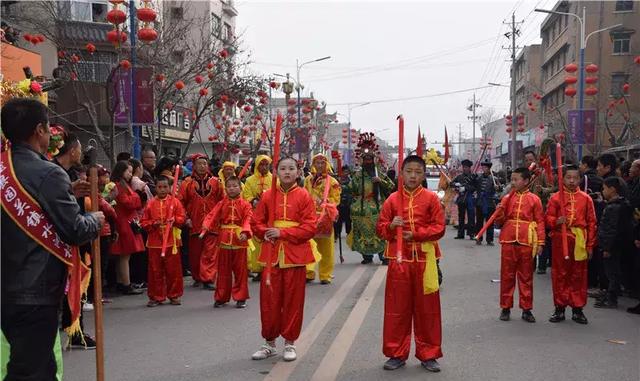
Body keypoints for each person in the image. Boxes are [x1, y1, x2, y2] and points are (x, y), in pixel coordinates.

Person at [1, 98, 103, 380]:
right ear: (39, 131)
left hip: (6, 291)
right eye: (47, 127)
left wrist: (66, 190)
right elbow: (75, 229)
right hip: (34, 292)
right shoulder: (47, 173)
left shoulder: (5, 170)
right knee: (30, 371)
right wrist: (95, 220)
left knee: (38, 365)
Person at [376, 155, 446, 373]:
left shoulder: (432, 199)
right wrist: (390, 226)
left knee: (428, 310)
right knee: (397, 309)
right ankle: (396, 353)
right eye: (409, 171)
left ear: (423, 174)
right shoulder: (392, 200)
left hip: (425, 260)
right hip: (399, 260)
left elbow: (439, 228)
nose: (413, 176)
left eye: (417, 172)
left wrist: (415, 234)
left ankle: (429, 354)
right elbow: (380, 228)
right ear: (402, 173)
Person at [250, 157, 317, 362]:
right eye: (283, 168)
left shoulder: (304, 196)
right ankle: (269, 343)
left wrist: (283, 233)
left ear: (298, 172)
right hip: (271, 254)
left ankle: (290, 342)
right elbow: (256, 222)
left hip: (295, 255)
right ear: (276, 171)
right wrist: (266, 232)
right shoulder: (268, 195)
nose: (287, 172)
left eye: (291, 168)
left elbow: (310, 227)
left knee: (293, 301)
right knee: (269, 301)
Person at [545, 165, 597, 324]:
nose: (572, 181)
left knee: (578, 275)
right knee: (560, 274)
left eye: (575, 177)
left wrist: (590, 245)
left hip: (579, 239)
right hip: (561, 240)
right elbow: (547, 218)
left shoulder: (586, 198)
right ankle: (559, 308)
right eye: (569, 177)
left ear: (580, 179)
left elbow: (592, 223)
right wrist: (556, 221)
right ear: (563, 178)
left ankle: (577, 309)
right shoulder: (555, 198)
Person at [494, 167, 545, 323]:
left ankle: (526, 309)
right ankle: (505, 307)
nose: (513, 182)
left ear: (526, 180)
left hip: (526, 240)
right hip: (509, 239)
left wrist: (541, 242)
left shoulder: (535, 199)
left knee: (526, 276)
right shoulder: (507, 198)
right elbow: (499, 221)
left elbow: (540, 221)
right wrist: (500, 213)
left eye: (516, 179)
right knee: (507, 275)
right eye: (512, 179)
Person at [201, 176, 252, 308]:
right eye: (229, 186)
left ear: (240, 188)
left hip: (239, 240)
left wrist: (245, 232)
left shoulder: (245, 205)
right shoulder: (221, 203)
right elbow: (212, 215)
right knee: (223, 272)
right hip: (224, 239)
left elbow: (248, 219)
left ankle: (241, 297)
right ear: (225, 189)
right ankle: (221, 297)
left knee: (241, 272)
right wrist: (206, 226)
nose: (232, 188)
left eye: (235, 186)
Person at [178, 154, 223, 290]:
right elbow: (180, 203)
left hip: (212, 224)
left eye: (205, 163)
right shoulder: (187, 183)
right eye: (199, 164)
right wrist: (186, 218)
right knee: (195, 253)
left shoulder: (216, 182)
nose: (202, 166)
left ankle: (208, 278)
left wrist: (220, 217)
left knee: (210, 252)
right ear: (194, 166)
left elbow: (222, 200)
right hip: (194, 223)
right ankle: (198, 276)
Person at [348, 132, 394, 264]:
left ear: (374, 159)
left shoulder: (380, 172)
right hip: (361, 208)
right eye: (365, 158)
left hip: (378, 207)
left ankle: (383, 255)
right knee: (362, 233)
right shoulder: (358, 174)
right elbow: (353, 189)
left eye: (370, 158)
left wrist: (380, 181)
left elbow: (391, 186)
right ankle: (366, 256)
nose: (368, 161)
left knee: (380, 231)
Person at [140, 176, 186, 307]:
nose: (162, 190)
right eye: (159, 187)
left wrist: (174, 220)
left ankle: (174, 295)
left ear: (169, 187)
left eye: (165, 187)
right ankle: (156, 296)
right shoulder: (150, 204)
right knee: (155, 270)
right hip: (154, 242)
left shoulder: (175, 202)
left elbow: (182, 218)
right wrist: (153, 223)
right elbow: (143, 222)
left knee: (174, 270)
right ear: (156, 188)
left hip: (172, 241)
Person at [594, 177, 632, 309]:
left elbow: (611, 229)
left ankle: (612, 298)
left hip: (611, 246)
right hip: (616, 244)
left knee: (612, 272)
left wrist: (607, 247)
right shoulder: (619, 204)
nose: (602, 191)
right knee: (612, 271)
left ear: (612, 190)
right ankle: (610, 295)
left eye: (604, 188)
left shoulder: (614, 208)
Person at [304, 154, 341, 284]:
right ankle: (309, 272)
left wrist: (325, 202)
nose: (319, 165)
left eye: (322, 163)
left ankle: (325, 274)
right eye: (317, 163)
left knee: (326, 247)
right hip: (309, 217)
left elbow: (336, 199)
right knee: (309, 245)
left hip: (325, 217)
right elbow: (304, 195)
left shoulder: (333, 182)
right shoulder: (307, 180)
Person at [110, 161, 145, 295]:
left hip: (125, 221)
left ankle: (121, 282)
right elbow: (128, 202)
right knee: (125, 255)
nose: (130, 174)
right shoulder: (119, 186)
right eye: (128, 171)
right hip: (124, 222)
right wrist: (137, 196)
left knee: (123, 255)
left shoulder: (122, 185)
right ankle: (126, 284)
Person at [242, 155, 272, 281]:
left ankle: (268, 266)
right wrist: (255, 201)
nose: (264, 167)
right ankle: (258, 269)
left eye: (266, 164)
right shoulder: (249, 180)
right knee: (256, 242)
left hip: (270, 215)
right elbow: (247, 195)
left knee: (269, 241)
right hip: (256, 215)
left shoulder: (274, 179)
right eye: (261, 164)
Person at [452, 159, 477, 239]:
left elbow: (475, 187)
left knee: (471, 216)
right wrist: (456, 185)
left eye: (466, 167)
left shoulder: (473, 176)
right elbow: (451, 183)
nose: (464, 168)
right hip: (461, 199)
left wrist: (465, 188)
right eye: (463, 167)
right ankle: (460, 234)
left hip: (470, 198)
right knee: (461, 217)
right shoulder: (459, 177)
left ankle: (471, 234)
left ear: (469, 168)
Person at [475, 160, 497, 246]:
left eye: (485, 168)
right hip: (480, 202)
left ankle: (489, 240)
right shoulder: (478, 178)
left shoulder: (494, 179)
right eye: (483, 167)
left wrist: (497, 187)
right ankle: (479, 238)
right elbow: (474, 185)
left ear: (489, 169)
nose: (484, 169)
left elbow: (499, 190)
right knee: (479, 222)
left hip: (490, 202)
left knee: (490, 222)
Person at [334, 165, 353, 239]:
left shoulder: (351, 180)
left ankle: (349, 233)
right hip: (339, 203)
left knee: (348, 220)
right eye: (345, 171)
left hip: (348, 203)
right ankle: (337, 234)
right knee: (338, 220)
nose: (346, 173)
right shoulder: (338, 180)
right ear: (342, 172)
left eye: (347, 172)